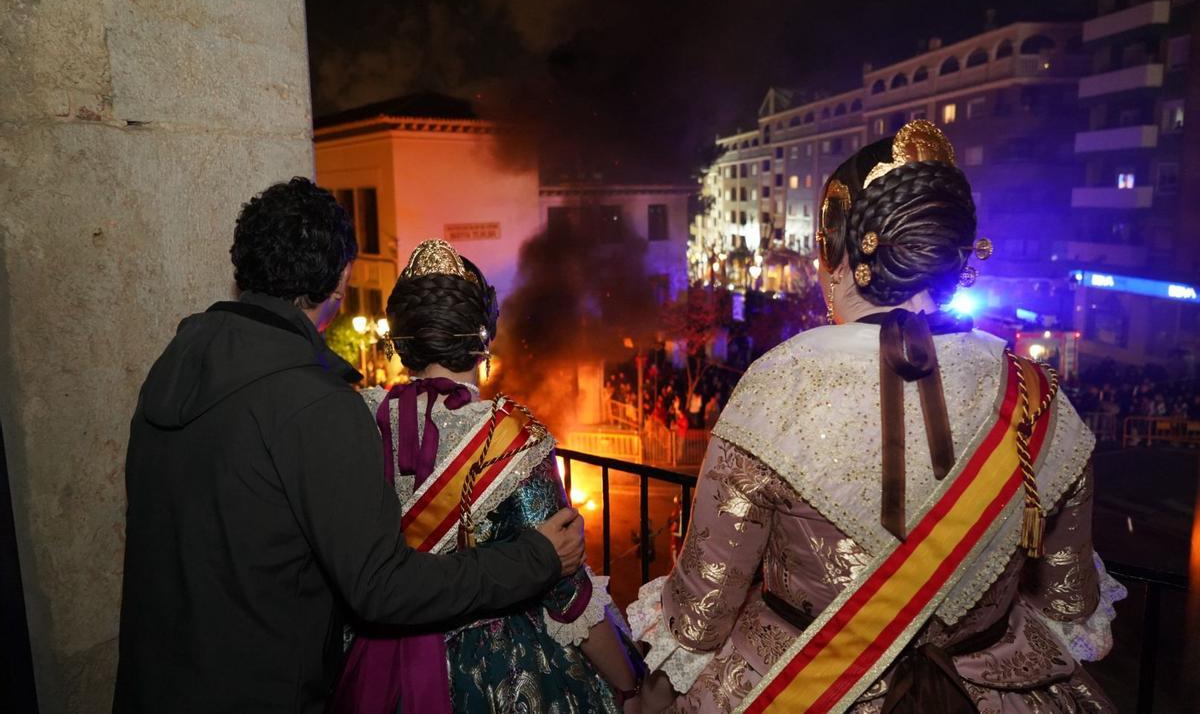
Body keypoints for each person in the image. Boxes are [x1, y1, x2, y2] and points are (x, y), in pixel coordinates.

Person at [627, 123, 1123, 713]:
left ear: (837, 251)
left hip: (804, 688)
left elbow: (701, 614)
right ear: (956, 255)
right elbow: (1067, 602)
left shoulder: (779, 383)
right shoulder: (1035, 390)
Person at [115, 180, 585, 714]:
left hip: (159, 681)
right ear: (339, 279)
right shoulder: (313, 402)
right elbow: (382, 586)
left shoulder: (173, 368)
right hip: (259, 689)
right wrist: (536, 557)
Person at [330, 240, 646, 714]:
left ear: (399, 343)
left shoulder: (357, 418)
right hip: (493, 671)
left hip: (372, 662)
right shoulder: (511, 434)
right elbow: (566, 589)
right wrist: (629, 685)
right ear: (484, 341)